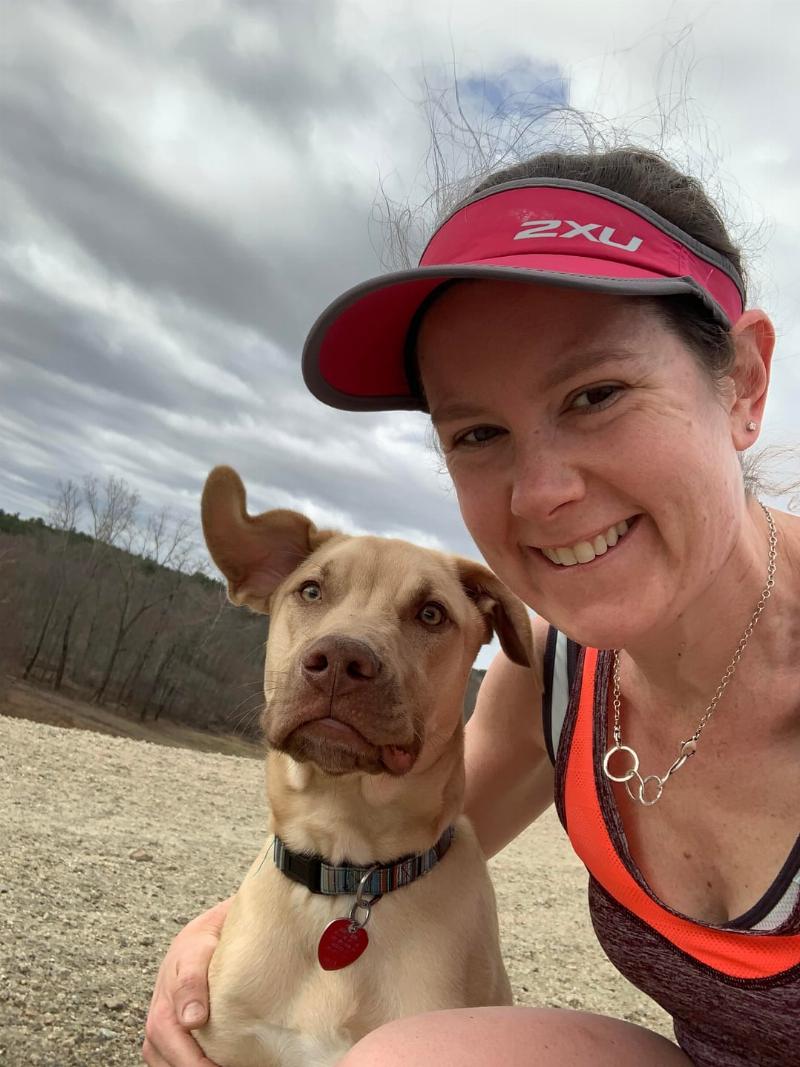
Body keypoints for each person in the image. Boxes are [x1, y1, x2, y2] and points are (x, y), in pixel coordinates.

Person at [143, 148, 800, 1067]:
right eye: (477, 432)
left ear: (745, 382)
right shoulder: (555, 673)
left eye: (596, 394)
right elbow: (390, 842)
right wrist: (220, 935)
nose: (539, 492)